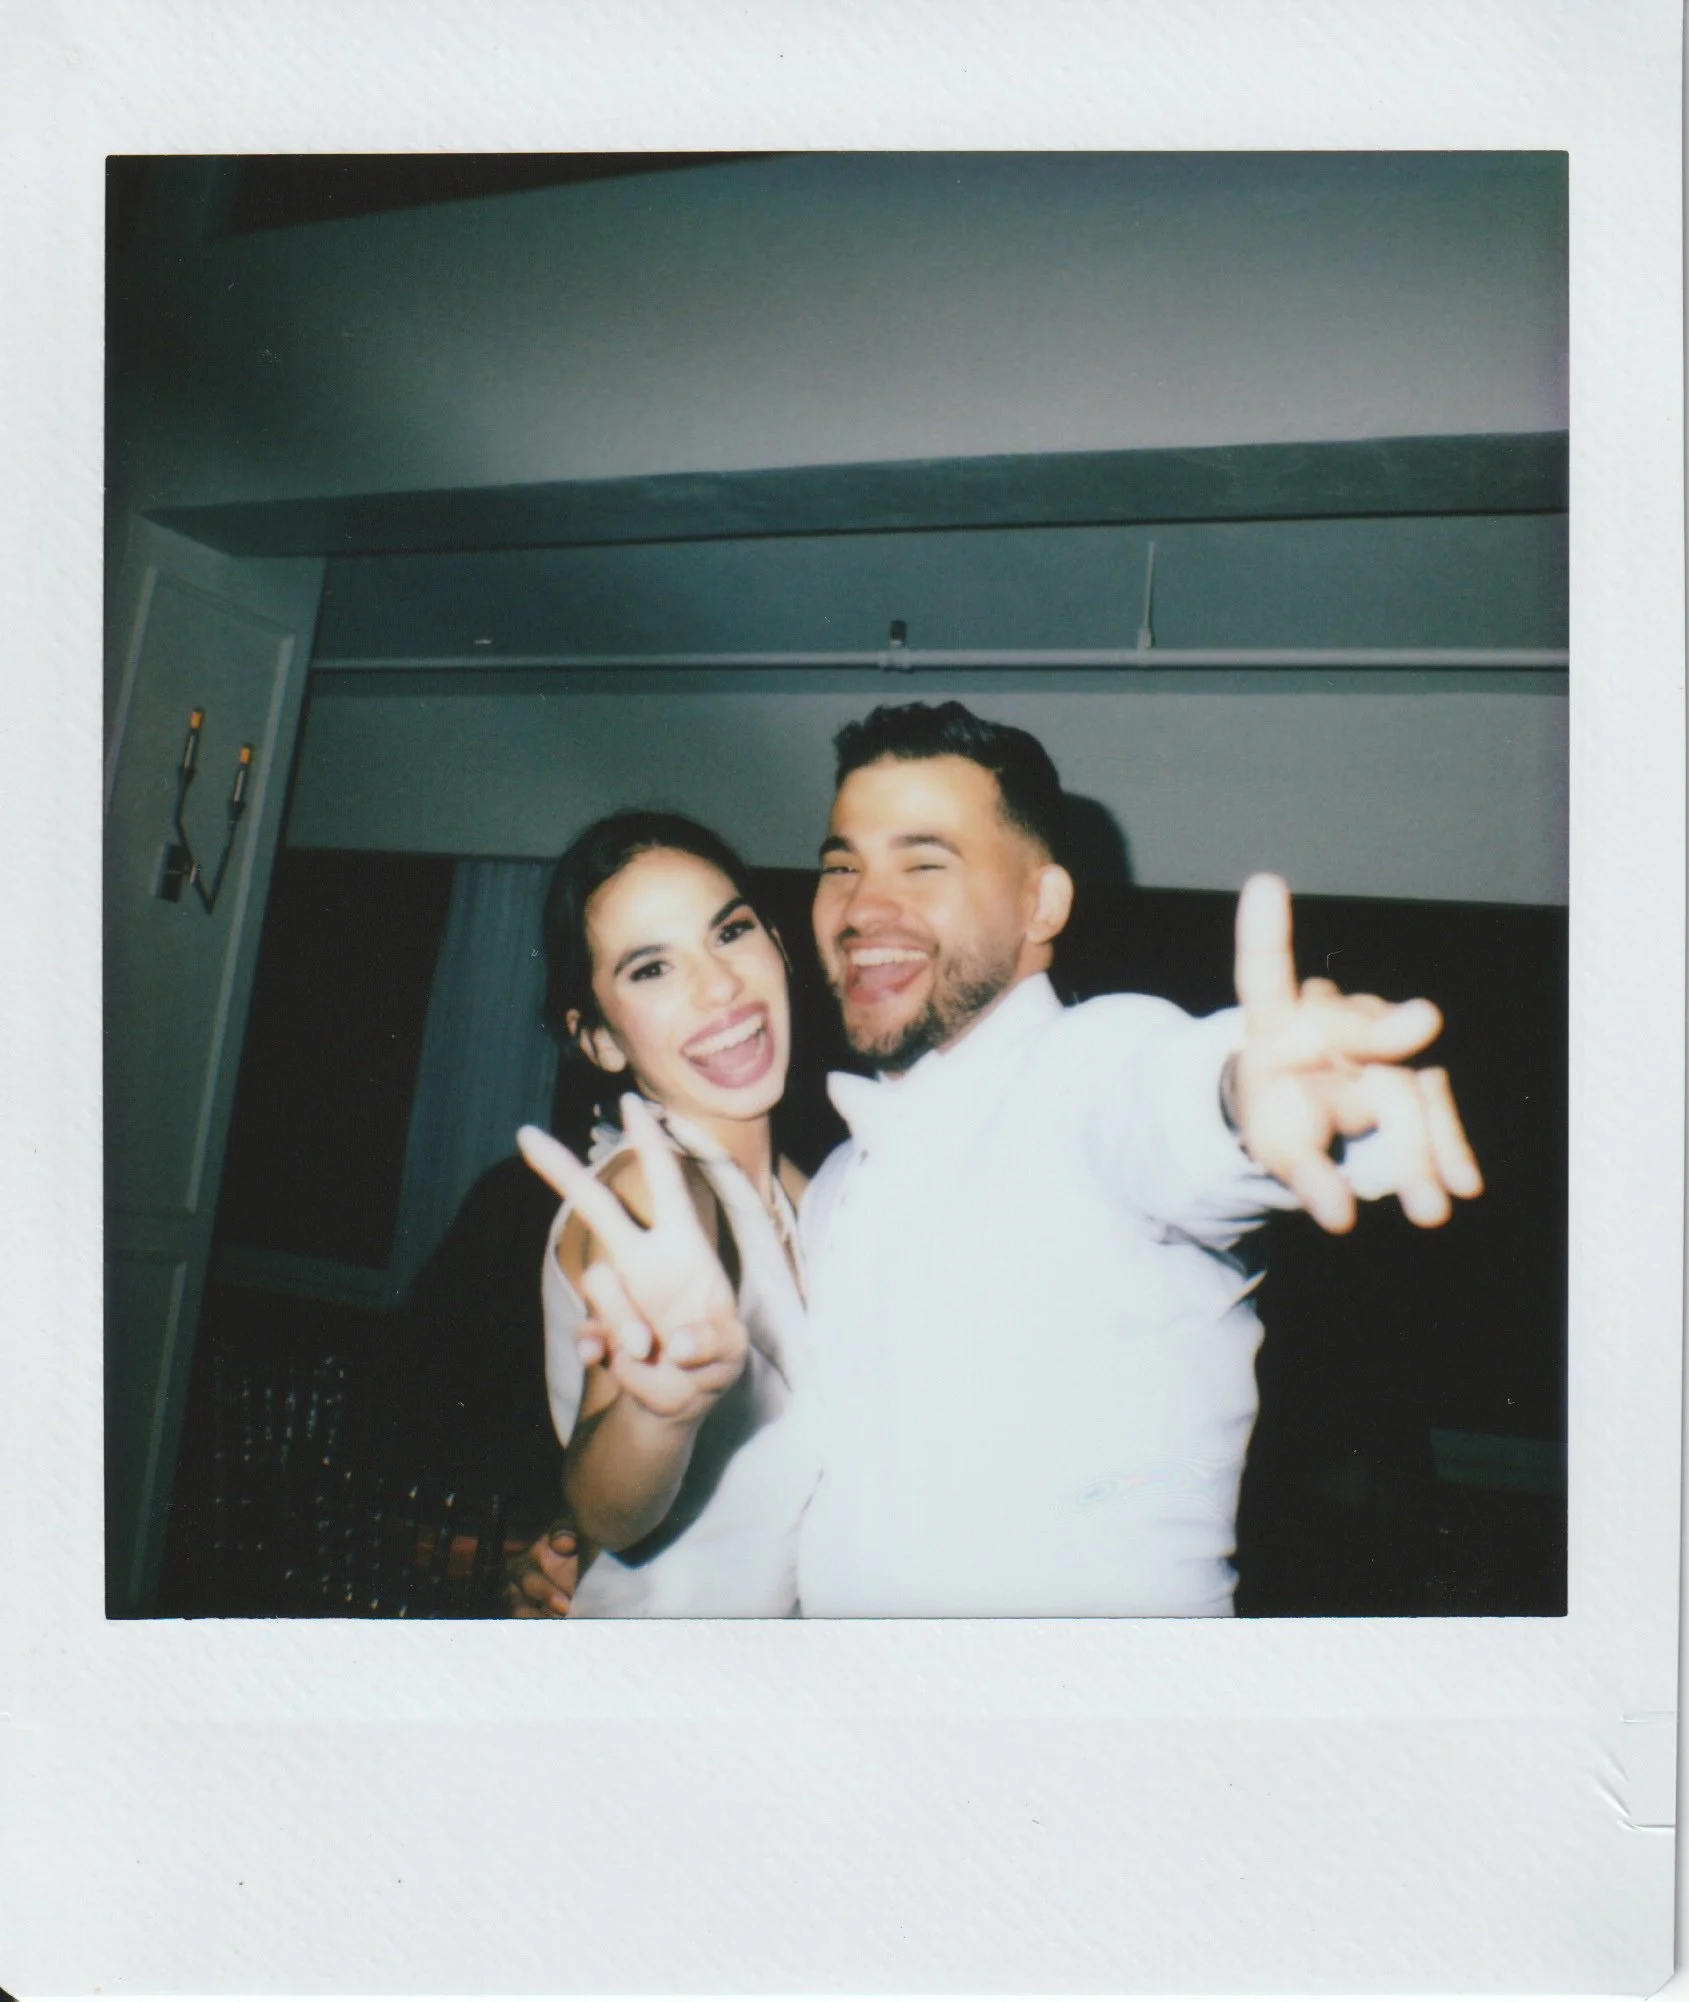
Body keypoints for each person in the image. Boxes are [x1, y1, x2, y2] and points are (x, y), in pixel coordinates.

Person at [541, 701, 1481, 1619]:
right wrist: (583, 1534)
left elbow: (1167, 1100)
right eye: (842, 865)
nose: (867, 906)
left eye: (924, 860)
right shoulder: (830, 1189)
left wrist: (1269, 1099)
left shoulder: (1085, 1065)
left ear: (1042, 902)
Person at [509, 811, 816, 1617]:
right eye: (650, 969)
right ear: (601, 1040)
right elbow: (608, 1509)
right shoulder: (650, 1194)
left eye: (730, 932)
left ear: (777, 945)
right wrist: (658, 1411)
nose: (719, 987)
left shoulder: (803, 1188)